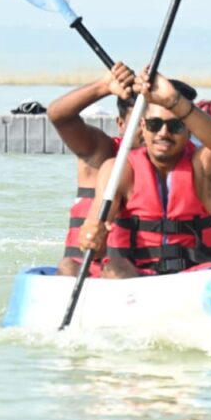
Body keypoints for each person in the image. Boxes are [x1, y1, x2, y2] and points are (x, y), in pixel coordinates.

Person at [50, 63, 211, 277]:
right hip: (127, 272)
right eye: (154, 124)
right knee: (81, 267)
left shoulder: (199, 162)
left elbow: (206, 214)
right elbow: (59, 116)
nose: (163, 133)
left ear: (186, 129)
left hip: (190, 271)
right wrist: (92, 232)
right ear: (142, 125)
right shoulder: (110, 161)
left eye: (174, 125)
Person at [47, 62, 136, 276]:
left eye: (150, 123)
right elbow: (60, 116)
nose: (145, 130)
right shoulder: (100, 150)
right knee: (68, 267)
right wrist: (104, 86)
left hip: (132, 274)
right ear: (121, 124)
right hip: (83, 270)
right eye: (137, 123)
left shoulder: (168, 163)